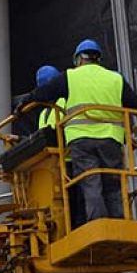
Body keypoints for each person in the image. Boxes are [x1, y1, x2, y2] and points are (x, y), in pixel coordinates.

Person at [16, 39, 137, 222]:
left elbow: (42, 93)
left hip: (82, 141)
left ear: (79, 59)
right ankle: (121, 221)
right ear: (98, 58)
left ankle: (97, 224)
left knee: (90, 182)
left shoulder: (71, 77)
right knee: (113, 183)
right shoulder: (115, 78)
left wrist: (23, 104)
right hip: (111, 140)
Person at [35, 65, 85, 229]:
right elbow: (44, 137)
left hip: (70, 160)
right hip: (55, 165)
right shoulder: (44, 113)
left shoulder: (66, 102)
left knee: (76, 200)